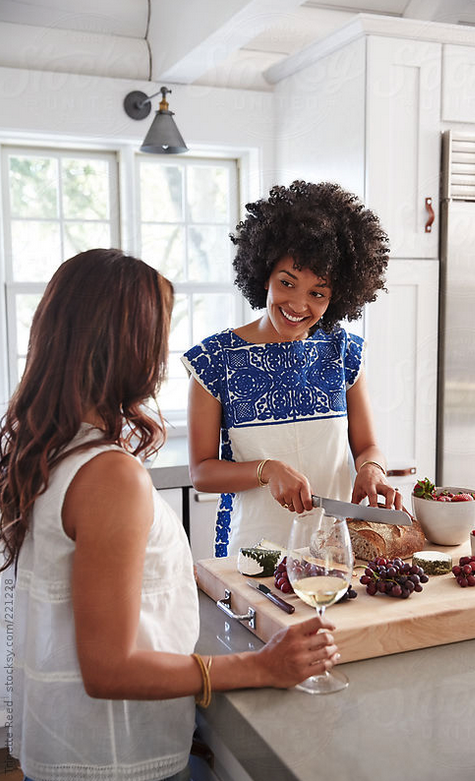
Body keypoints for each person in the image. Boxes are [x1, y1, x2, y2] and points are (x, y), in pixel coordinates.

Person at [0, 248, 339, 781]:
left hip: (75, 751)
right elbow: (109, 669)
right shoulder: (108, 476)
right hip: (118, 763)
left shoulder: (49, 450)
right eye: (158, 332)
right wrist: (260, 666)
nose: (162, 353)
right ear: (125, 344)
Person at [182, 180, 402, 558]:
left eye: (318, 293)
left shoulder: (343, 351)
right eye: (287, 283)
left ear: (336, 298)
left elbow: (367, 446)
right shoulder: (214, 360)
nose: (299, 304)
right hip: (253, 552)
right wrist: (266, 470)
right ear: (264, 274)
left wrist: (372, 470)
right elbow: (202, 472)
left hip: (335, 551)